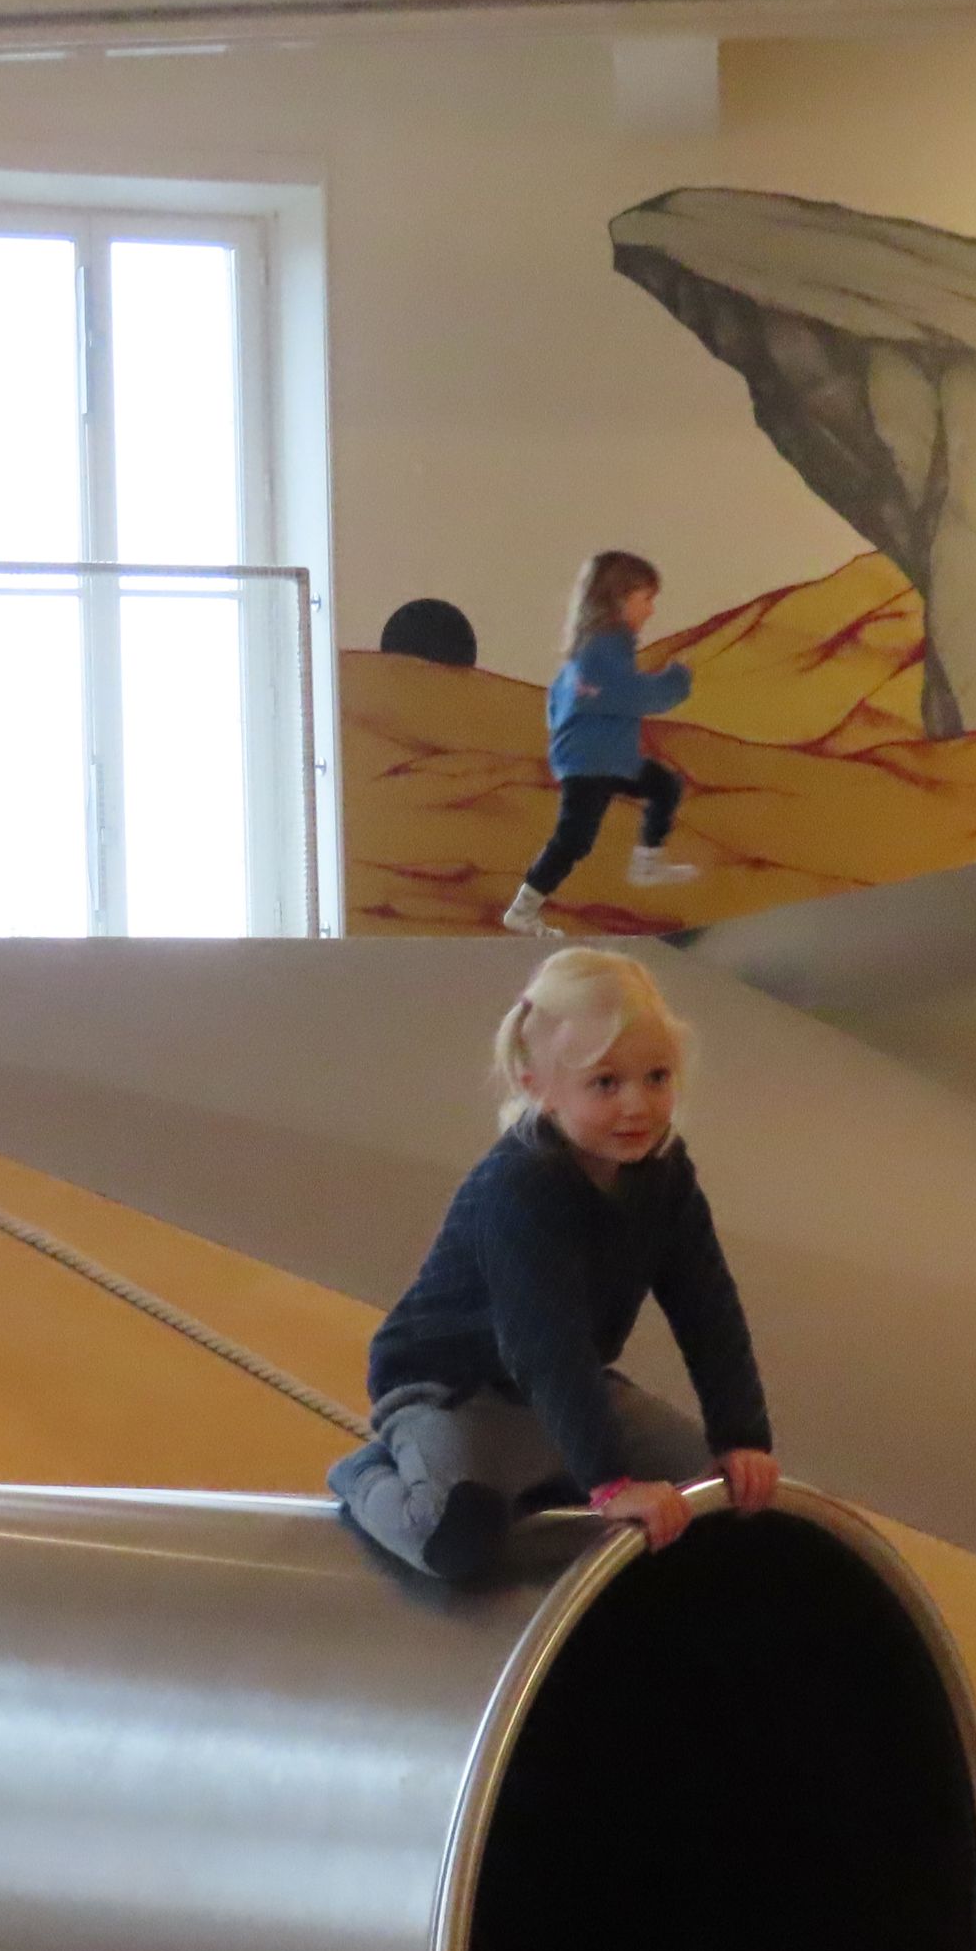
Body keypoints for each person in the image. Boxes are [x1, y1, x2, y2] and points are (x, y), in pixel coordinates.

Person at [329, 949, 777, 1582]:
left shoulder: (663, 1175)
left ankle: (547, 1474)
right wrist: (610, 1481)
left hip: (557, 1389)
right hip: (454, 1392)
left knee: (714, 1505)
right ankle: (367, 1476)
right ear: (538, 1087)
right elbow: (546, 1342)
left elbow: (707, 1306)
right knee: (456, 1537)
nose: (638, 1105)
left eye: (657, 1077)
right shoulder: (520, 1185)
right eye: (605, 1083)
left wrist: (740, 1435)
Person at [503, 551, 700, 936]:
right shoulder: (600, 651)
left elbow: (561, 701)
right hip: (591, 762)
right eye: (647, 598)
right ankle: (522, 910)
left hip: (609, 759)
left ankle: (646, 864)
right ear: (619, 598)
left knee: (664, 785)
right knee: (575, 838)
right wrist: (677, 680)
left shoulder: (598, 650)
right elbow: (631, 695)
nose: (651, 610)